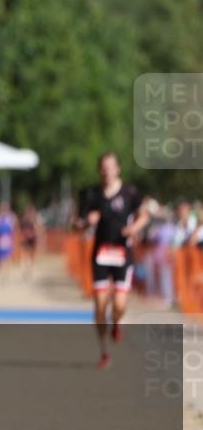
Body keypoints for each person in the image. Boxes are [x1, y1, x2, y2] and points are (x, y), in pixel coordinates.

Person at [75, 152, 150, 370]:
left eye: (111, 167)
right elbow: (75, 225)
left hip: (122, 253)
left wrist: (133, 228)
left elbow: (144, 215)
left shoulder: (130, 192)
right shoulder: (91, 195)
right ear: (100, 170)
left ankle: (116, 323)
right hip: (100, 254)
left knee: (119, 303)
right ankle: (104, 350)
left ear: (118, 169)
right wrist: (85, 222)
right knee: (99, 305)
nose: (107, 171)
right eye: (103, 167)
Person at [0, 202, 17, 281]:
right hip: (1, 241)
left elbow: (12, 231)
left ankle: (5, 274)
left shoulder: (9, 219)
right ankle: (3, 274)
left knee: (6, 258)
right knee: (1, 259)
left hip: (7, 241)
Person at [19, 204, 43, 279]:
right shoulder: (31, 220)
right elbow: (37, 229)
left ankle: (27, 269)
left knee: (26, 255)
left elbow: (21, 229)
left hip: (29, 239)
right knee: (27, 255)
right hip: (28, 239)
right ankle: (27, 269)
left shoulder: (26, 220)